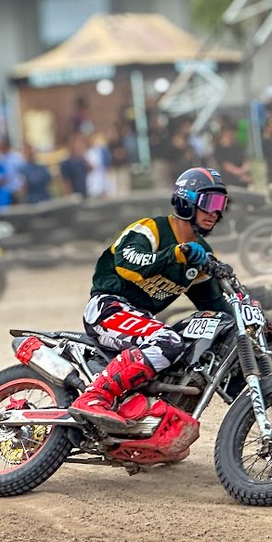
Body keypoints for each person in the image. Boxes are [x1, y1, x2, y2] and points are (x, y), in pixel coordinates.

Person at [68, 167, 232, 430]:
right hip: (108, 308)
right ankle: (94, 397)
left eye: (220, 204)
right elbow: (127, 265)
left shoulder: (200, 251)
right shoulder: (151, 229)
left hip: (142, 318)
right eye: (209, 202)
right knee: (168, 341)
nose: (215, 212)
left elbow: (213, 304)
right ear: (187, 201)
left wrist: (251, 323)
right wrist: (176, 253)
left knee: (191, 345)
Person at [213, 120, 252, 188]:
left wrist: (243, 170)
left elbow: (245, 161)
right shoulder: (219, 148)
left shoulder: (238, 146)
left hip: (242, 178)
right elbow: (225, 165)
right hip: (228, 180)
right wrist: (238, 172)